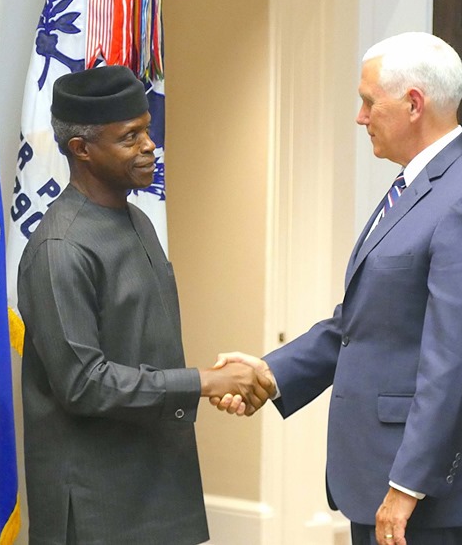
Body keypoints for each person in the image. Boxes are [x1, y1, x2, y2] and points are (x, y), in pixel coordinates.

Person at [216, 32, 462, 545]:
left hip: (426, 492)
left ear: (413, 104)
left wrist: (408, 486)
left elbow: (458, 359)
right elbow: (362, 321)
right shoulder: (418, 184)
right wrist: (271, 373)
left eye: (368, 102)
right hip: (386, 474)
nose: (360, 117)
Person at [19, 64, 276, 545]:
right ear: (82, 150)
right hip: (99, 506)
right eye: (130, 136)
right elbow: (83, 385)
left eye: (148, 130)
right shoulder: (61, 248)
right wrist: (203, 382)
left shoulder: (137, 220)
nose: (149, 146)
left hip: (160, 482)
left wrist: (202, 386)